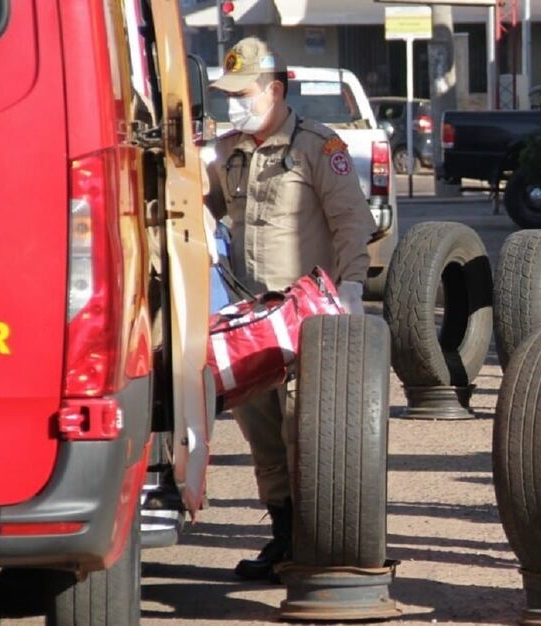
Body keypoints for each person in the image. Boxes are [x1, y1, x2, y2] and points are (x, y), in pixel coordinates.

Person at [207, 37, 376, 582]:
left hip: (307, 324)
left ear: (274, 90)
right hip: (249, 324)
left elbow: (352, 221)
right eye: (228, 95)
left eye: (244, 93)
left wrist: (352, 285)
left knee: (308, 433)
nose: (234, 104)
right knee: (263, 438)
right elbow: (201, 205)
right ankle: (283, 537)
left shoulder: (318, 147)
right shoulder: (229, 150)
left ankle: (318, 542)